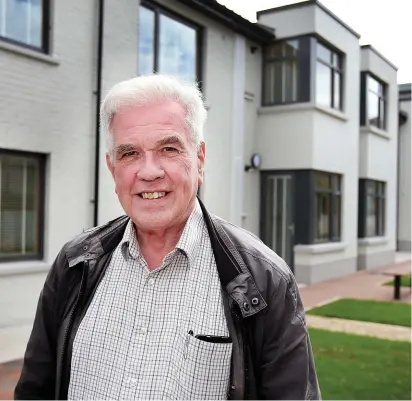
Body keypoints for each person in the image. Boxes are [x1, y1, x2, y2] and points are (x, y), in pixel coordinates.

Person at [14, 74, 320, 400]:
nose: (149, 172)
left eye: (169, 148)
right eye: (129, 153)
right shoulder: (75, 263)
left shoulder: (263, 280)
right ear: (112, 167)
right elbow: (35, 389)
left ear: (199, 160)